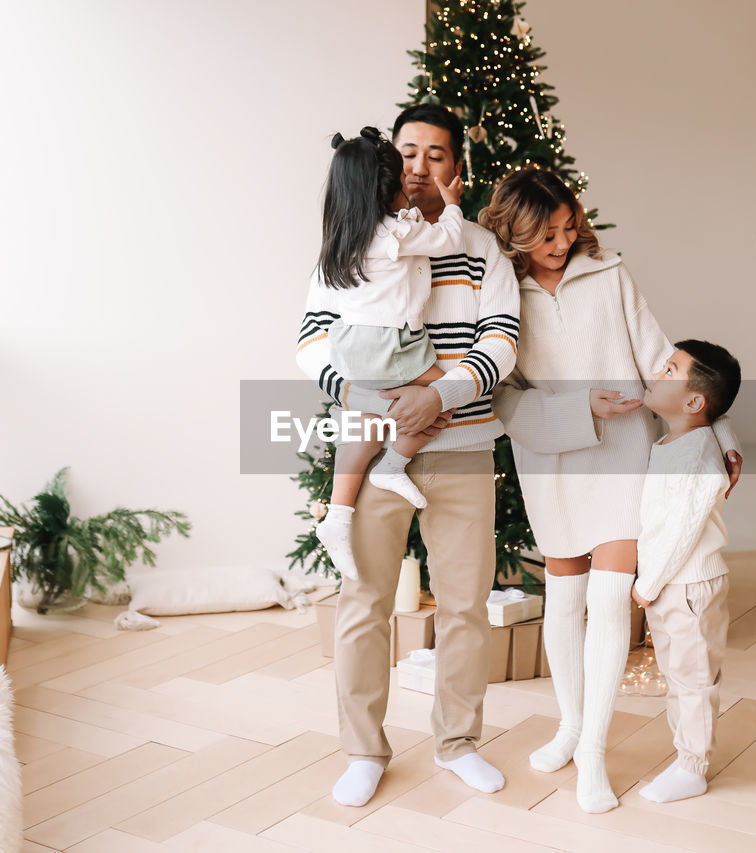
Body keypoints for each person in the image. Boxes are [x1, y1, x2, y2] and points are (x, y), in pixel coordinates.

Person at [479, 168, 742, 813]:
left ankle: (594, 753)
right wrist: (579, 410)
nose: (563, 242)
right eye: (548, 234)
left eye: (570, 227)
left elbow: (667, 359)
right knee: (563, 599)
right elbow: (502, 398)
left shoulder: (609, 275)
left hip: (624, 452)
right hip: (550, 457)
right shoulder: (498, 290)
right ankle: (570, 725)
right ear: (515, 231)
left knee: (609, 597)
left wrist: (723, 431)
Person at [295, 104, 520, 807]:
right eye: (409, 152)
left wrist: (440, 398)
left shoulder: (479, 247)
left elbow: (504, 340)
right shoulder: (350, 242)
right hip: (373, 444)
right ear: (391, 163)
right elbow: (309, 342)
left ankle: (458, 743)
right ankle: (364, 749)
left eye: (437, 155)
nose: (421, 166)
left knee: (465, 604)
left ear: (458, 167)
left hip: (461, 447)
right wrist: (370, 398)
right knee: (363, 602)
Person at [311, 126, 466, 580]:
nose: (410, 186)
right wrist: (452, 203)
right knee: (447, 395)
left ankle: (338, 516)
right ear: (385, 192)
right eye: (401, 182)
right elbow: (448, 240)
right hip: (392, 345)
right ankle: (393, 465)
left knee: (366, 427)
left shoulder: (343, 238)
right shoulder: (394, 234)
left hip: (353, 347)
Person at [631, 340, 741, 804]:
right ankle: (685, 757)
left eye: (671, 369)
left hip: (689, 583)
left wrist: (648, 582)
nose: (659, 370)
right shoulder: (676, 438)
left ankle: (693, 767)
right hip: (672, 582)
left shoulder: (697, 457)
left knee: (693, 678)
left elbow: (682, 530)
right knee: (678, 675)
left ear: (694, 402)